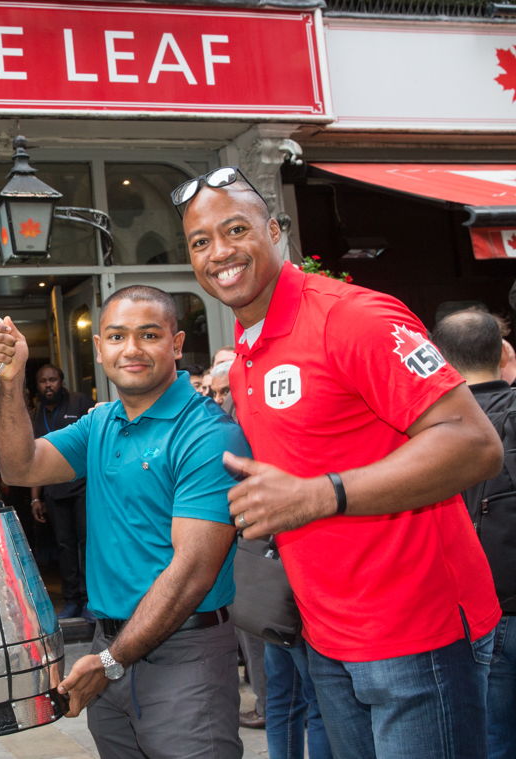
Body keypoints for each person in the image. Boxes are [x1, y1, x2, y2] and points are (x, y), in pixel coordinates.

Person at [178, 165, 502, 758]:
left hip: (416, 633)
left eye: (234, 229)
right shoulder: (247, 350)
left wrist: (319, 494)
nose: (219, 252)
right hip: (324, 638)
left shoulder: (355, 317)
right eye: (200, 242)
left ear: (274, 230)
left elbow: (474, 443)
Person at [0, 285, 250, 759]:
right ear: (100, 348)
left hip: (182, 652)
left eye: (148, 334)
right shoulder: (101, 422)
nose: (131, 349)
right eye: (116, 336)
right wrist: (11, 379)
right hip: (109, 645)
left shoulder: (209, 433)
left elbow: (192, 571)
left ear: (175, 343)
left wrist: (110, 662)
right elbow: (19, 467)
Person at [431, 308, 516, 759]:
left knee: (493, 737)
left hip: (478, 611)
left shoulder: (430, 432)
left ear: (439, 358)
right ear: (504, 353)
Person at [28, 364, 92, 619]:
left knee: (87, 544)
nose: (48, 385)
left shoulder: (79, 403)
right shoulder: (36, 414)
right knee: (64, 547)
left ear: (61, 380)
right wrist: (35, 497)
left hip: (83, 487)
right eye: (43, 381)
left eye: (53, 379)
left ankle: (90, 599)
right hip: (54, 491)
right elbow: (33, 457)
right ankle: (72, 600)